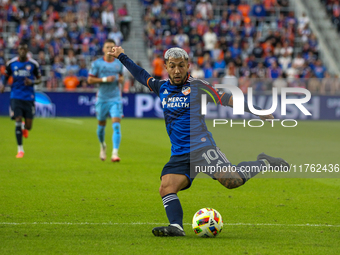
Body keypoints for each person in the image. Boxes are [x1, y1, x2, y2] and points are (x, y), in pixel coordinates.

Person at [108, 46, 290, 236]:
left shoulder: (198, 87)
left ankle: (264, 161)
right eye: (172, 66)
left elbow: (227, 99)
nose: (177, 70)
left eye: (181, 66)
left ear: (188, 65)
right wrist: (121, 56)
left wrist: (257, 110)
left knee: (232, 181)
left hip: (203, 148)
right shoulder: (161, 87)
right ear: (166, 68)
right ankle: (176, 227)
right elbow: (140, 74)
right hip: (179, 152)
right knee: (166, 186)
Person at [0, 42, 41, 158]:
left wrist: (32, 82)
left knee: (29, 126)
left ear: (27, 50)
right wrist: (2, 85)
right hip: (16, 96)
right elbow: (6, 76)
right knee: (17, 119)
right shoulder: (12, 63)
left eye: (24, 49)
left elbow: (39, 79)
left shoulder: (33, 64)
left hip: (29, 97)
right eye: (20, 49)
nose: (22, 51)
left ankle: (24, 127)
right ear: (18, 50)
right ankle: (20, 150)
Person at [87, 39, 124, 162]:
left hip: (115, 98)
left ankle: (115, 153)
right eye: (107, 47)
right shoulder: (97, 64)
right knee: (101, 127)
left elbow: (121, 76)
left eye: (112, 47)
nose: (109, 49)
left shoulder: (118, 63)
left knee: (117, 126)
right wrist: (104, 80)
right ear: (103, 49)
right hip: (102, 98)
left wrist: (121, 79)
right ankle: (103, 145)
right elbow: (90, 80)